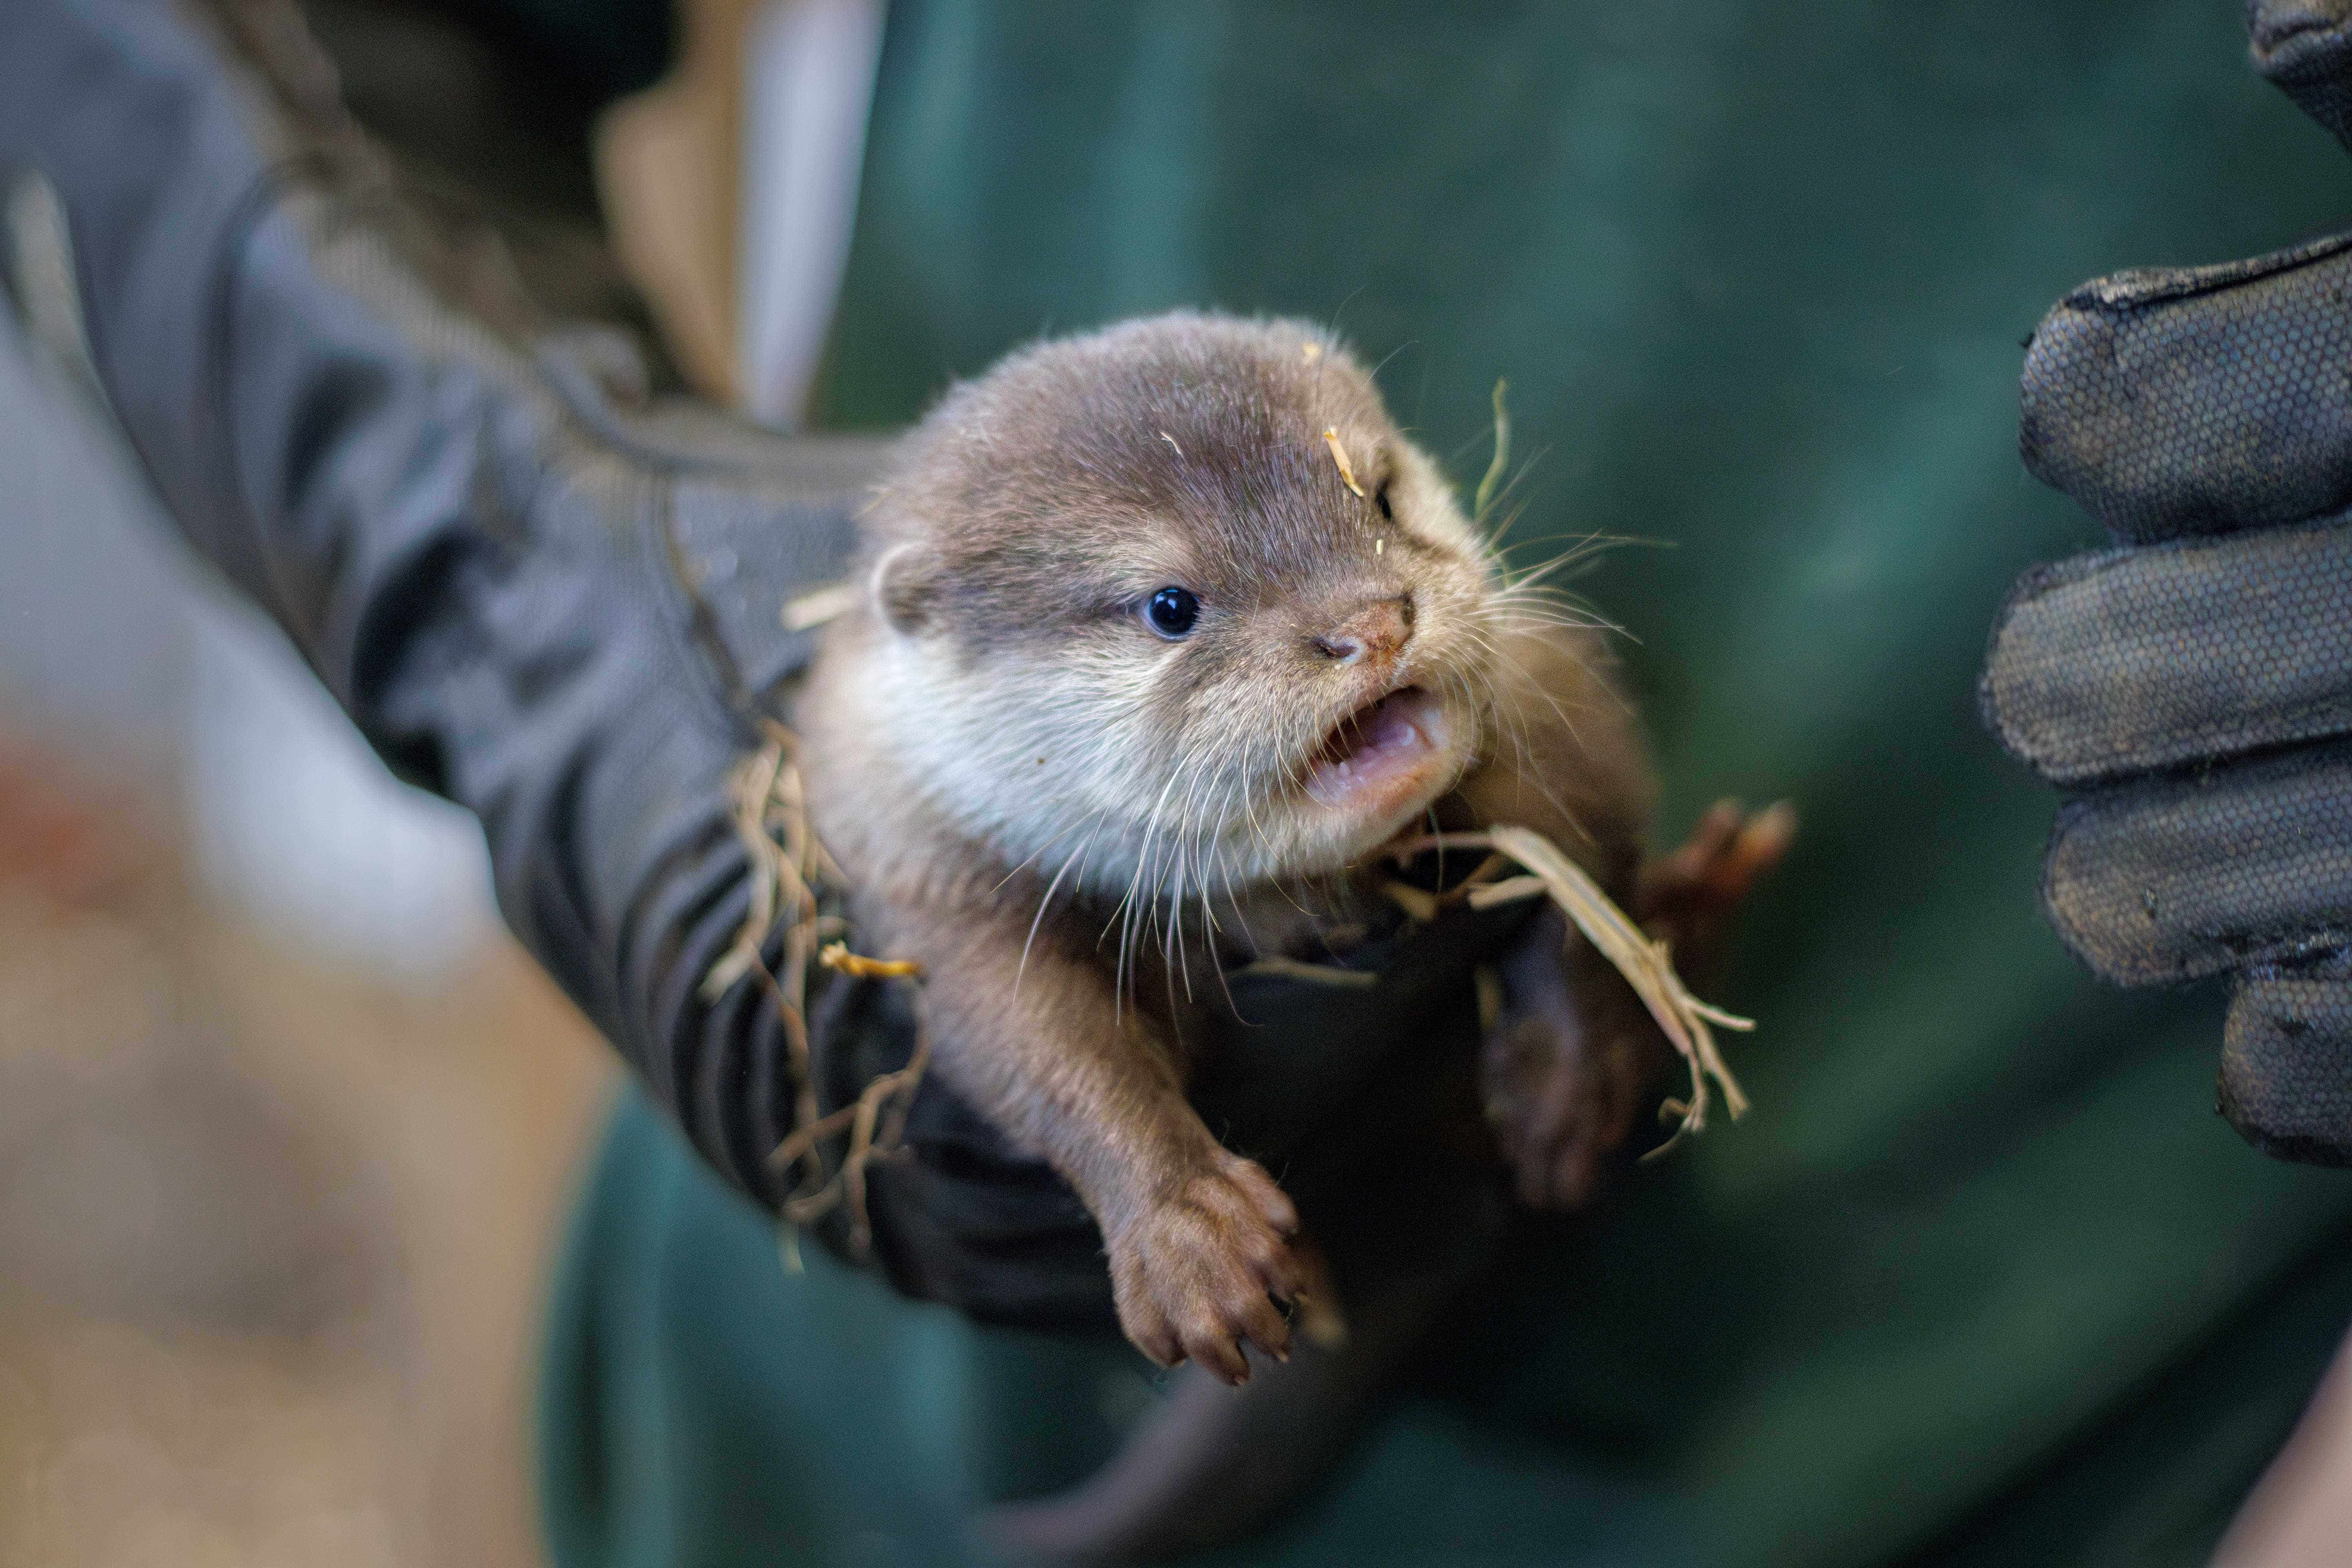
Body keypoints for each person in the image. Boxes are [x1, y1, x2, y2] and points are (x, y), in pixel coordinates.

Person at [5, 1, 2352, 1564]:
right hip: (820, 1436)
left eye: (1381, 523)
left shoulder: (1447, 643)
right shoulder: (918, 778)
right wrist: (494, 540)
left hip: (1971, 1404)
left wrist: (1574, 983)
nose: (1374, 624)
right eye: (1168, 619)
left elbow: (1565, 772)